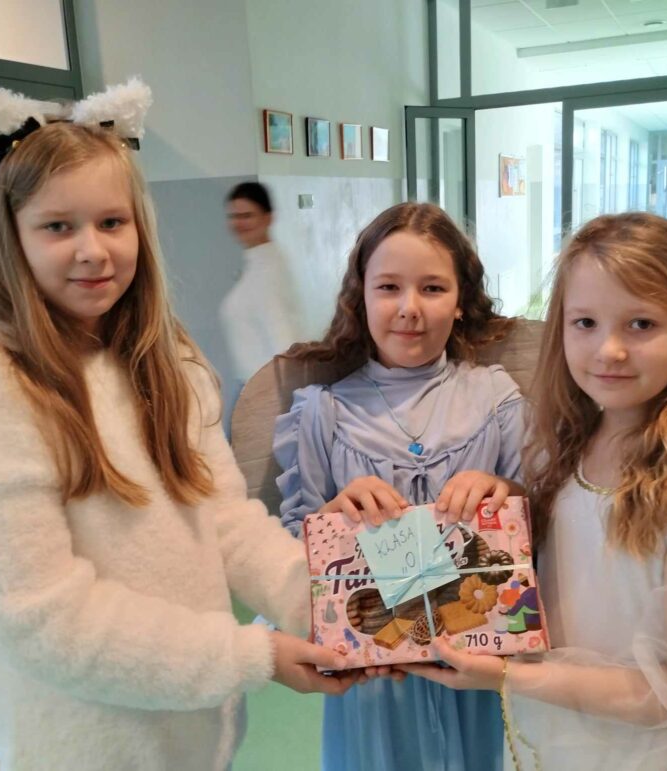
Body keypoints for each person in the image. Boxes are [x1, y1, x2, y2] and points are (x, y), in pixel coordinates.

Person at [0, 79, 357, 771]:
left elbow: (226, 519)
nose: (93, 250)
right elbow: (42, 617)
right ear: (1, 238)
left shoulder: (165, 360)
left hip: (194, 737)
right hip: (80, 748)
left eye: (112, 222)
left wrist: (325, 604)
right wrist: (247, 654)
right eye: (57, 226)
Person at [400, 212, 667, 770]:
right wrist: (504, 497)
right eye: (585, 322)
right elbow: (573, 556)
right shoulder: (567, 444)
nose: (609, 350)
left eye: (641, 324)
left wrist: (512, 676)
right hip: (541, 744)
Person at [273, 202, 527, 770]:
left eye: (432, 288)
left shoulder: (496, 399)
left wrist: (503, 489)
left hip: (475, 662)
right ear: (360, 297)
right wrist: (332, 518)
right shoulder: (323, 412)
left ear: (460, 301)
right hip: (374, 679)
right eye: (388, 287)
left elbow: (541, 523)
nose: (410, 308)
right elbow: (289, 552)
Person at [219, 182, 304, 384]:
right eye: (233, 216)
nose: (239, 223)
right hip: (253, 385)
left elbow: (284, 339)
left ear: (268, 218)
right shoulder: (256, 265)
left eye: (247, 215)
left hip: (266, 389)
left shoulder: (270, 270)